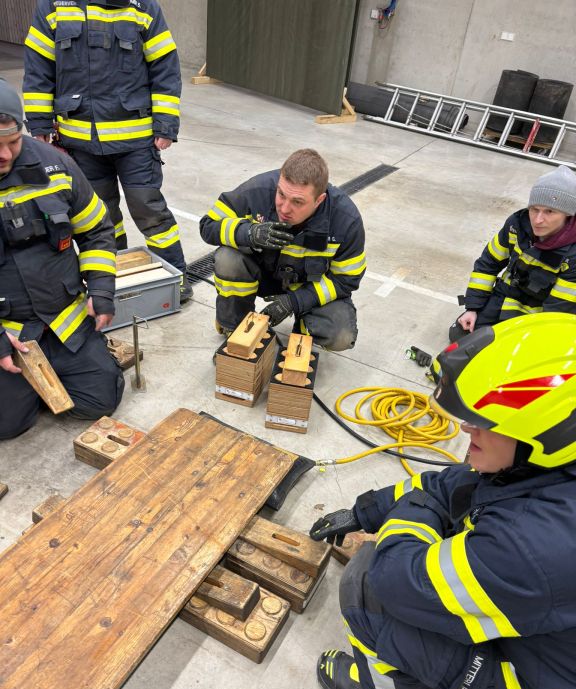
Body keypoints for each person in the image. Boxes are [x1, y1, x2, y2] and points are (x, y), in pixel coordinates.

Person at [309, 311, 576, 689]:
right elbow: (455, 484)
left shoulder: (531, 546)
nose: (466, 427)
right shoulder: (547, 467)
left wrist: (410, 514)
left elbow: (394, 580)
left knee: (365, 586)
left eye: (485, 422)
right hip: (552, 645)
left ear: (545, 432)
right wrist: (367, 510)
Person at [22, 0, 192, 304]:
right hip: (80, 141)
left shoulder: (141, 6)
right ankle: (113, 278)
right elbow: (39, 65)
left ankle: (176, 276)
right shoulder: (53, 6)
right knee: (101, 217)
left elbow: (165, 65)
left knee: (149, 210)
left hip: (136, 140)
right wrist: (39, 122)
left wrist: (166, 124)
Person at [0, 78, 124, 440]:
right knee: (9, 425)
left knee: (99, 400)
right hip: (10, 332)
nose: (4, 154)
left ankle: (42, 379)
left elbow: (97, 230)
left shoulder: (55, 164)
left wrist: (101, 289)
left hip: (62, 321)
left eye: (12, 142)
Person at [199, 149, 366, 350]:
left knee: (341, 335)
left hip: (306, 286)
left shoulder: (345, 221)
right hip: (263, 277)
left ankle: (303, 330)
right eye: (281, 194)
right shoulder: (257, 191)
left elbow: (346, 280)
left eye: (297, 202)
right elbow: (208, 226)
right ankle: (236, 325)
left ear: (319, 200)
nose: (284, 209)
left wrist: (295, 302)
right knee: (228, 259)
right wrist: (249, 233)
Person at [449, 164, 576, 341]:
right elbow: (488, 263)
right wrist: (473, 308)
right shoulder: (516, 224)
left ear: (567, 215)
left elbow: (558, 308)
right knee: (460, 336)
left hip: (538, 310)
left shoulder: (573, 254)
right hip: (506, 293)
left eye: (550, 211)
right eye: (534, 209)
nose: (538, 220)